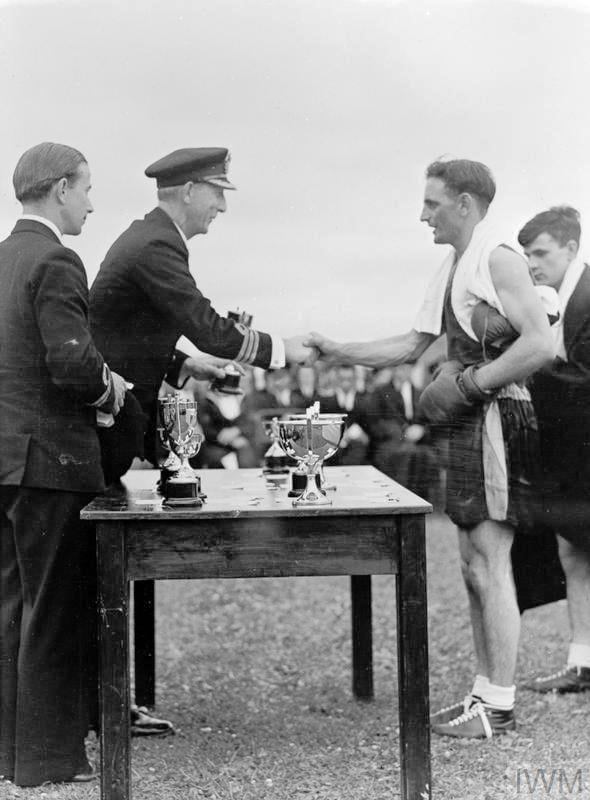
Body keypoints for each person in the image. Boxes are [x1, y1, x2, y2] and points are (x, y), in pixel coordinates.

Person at [306, 159, 554, 739]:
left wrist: (470, 383)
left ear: (465, 204)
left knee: (490, 561)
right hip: (474, 419)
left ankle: (498, 704)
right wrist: (334, 349)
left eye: (432, 204)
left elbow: (542, 342)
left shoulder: (497, 256)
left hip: (497, 415)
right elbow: (412, 343)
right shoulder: (453, 264)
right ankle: (485, 694)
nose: (423, 215)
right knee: (471, 563)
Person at [0, 142, 127, 785]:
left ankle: (10, 751)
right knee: (53, 610)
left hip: (3, 462)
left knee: (11, 604)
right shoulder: (56, 259)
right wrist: (112, 392)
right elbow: (72, 363)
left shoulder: (1, 260)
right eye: (85, 189)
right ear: (57, 190)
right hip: (50, 463)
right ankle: (47, 757)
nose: (90, 202)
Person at [89, 147, 313, 479]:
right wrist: (281, 350)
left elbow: (131, 335)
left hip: (112, 422)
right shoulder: (157, 244)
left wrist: (187, 365)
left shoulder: (154, 237)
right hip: (104, 425)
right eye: (218, 192)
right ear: (190, 191)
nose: (222, 206)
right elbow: (206, 328)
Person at [517, 207, 590, 692]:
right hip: (570, 452)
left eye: (540, 253)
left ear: (571, 247)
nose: (531, 264)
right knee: (573, 551)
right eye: (525, 256)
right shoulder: (547, 300)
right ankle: (582, 662)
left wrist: (526, 366)